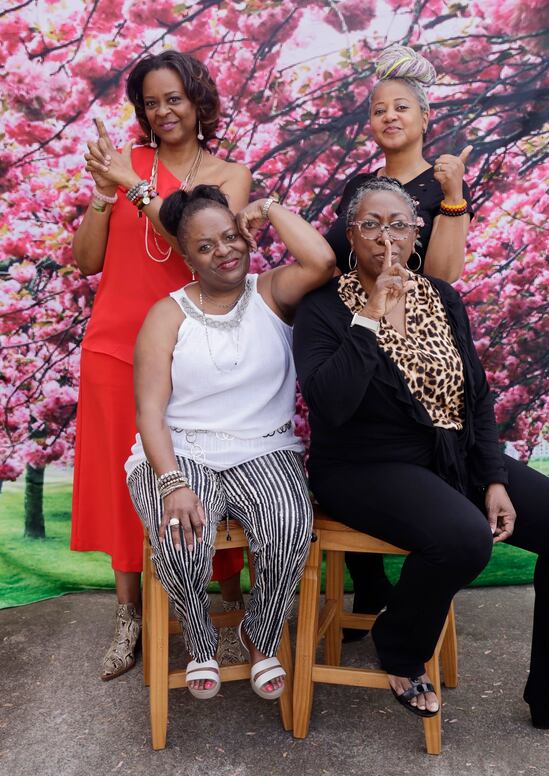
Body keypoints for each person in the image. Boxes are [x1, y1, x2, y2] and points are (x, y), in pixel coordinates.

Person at [293, 177, 549, 738]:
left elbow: (476, 396)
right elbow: (330, 405)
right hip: (363, 466)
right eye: (372, 224)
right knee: (463, 538)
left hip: (449, 457)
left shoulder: (441, 297)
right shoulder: (323, 309)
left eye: (400, 224)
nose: (387, 236)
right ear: (349, 233)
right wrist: (373, 315)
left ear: (417, 234)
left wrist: (494, 478)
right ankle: (400, 646)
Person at [70, 50, 252, 681]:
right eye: (150, 101)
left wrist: (136, 186)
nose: (162, 111)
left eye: (173, 97)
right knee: (125, 491)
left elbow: (201, 245)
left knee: (207, 475)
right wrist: (102, 194)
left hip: (194, 349)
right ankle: (129, 617)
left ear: (198, 99)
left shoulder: (230, 173)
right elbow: (85, 262)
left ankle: (228, 609)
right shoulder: (124, 164)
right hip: (113, 348)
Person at [126, 184, 335, 699]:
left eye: (230, 236)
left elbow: (323, 260)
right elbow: (149, 410)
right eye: (205, 246)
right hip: (184, 450)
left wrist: (265, 209)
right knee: (180, 533)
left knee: (291, 524)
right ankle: (201, 641)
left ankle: (259, 636)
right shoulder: (166, 315)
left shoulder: (272, 293)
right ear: (186, 256)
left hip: (265, 448)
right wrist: (172, 481)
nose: (224, 251)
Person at [325, 45, 474, 637]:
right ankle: (371, 587)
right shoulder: (360, 189)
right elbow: (334, 262)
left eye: (402, 107)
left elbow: (442, 275)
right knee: (353, 435)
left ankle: (419, 593)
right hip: (359, 323)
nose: (391, 116)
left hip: (422, 328)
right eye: (380, 109)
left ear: (424, 117)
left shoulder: (443, 183)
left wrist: (455, 193)